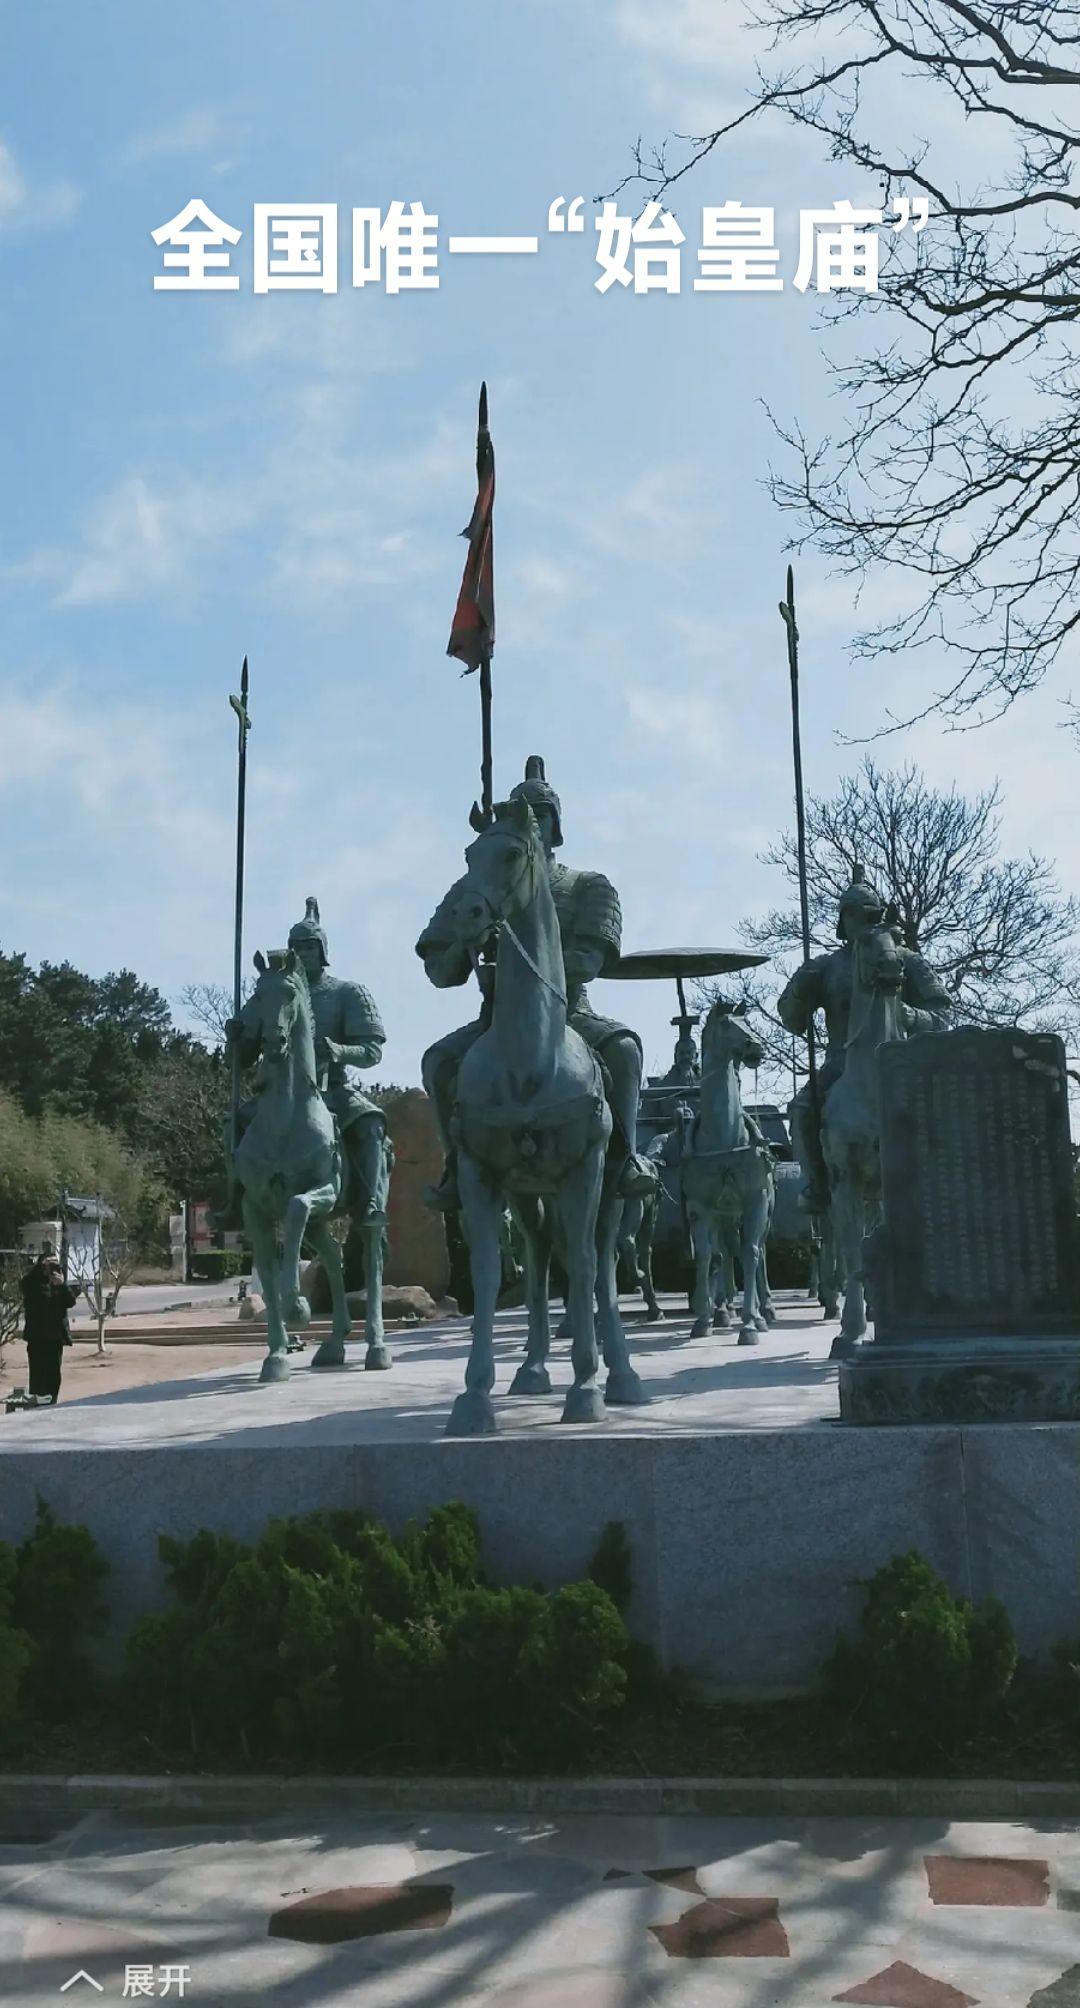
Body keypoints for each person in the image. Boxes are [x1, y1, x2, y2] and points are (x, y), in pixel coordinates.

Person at [418, 754, 657, 1208]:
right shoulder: (476, 886)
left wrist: (531, 966)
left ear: (555, 825)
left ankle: (624, 1159)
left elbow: (590, 957)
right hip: (495, 1020)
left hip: (570, 1015)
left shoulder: (588, 885)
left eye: (542, 815)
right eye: (526, 814)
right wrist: (466, 941)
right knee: (438, 1063)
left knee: (625, 1050)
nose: (535, 824)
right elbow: (440, 969)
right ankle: (456, 1166)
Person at [777, 864, 953, 1212]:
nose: (864, 921)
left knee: (943, 1110)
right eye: (855, 914)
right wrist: (800, 991)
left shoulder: (905, 960)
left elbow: (943, 1016)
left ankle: (946, 1179)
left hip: (899, 1061)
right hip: (841, 1063)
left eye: (869, 913)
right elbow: (791, 1020)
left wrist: (908, 1015)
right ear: (845, 921)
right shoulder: (826, 967)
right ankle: (817, 1184)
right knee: (801, 1109)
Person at [227, 897, 391, 1224]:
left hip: (333, 1089)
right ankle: (234, 1199)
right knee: (234, 1124)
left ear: (323, 953)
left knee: (370, 1124)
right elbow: (243, 1057)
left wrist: (340, 1051)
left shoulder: (348, 993)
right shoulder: (272, 991)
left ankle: (370, 1202)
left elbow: (372, 1050)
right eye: (296, 948)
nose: (303, 954)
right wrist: (237, 1037)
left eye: (310, 948)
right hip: (279, 1093)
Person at [20, 1245, 79, 1406]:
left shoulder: (58, 1282)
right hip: (37, 1338)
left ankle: (51, 1405)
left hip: (55, 1338)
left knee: (54, 1377)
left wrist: (62, 1285)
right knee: (38, 1377)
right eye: (48, 1264)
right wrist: (41, 1270)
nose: (52, 1268)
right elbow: (29, 1291)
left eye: (54, 1264)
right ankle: (36, 1406)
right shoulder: (31, 1282)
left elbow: (70, 1301)